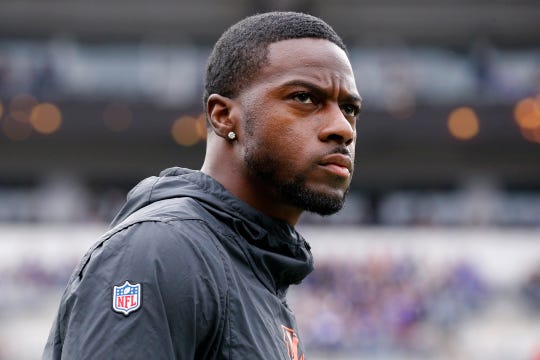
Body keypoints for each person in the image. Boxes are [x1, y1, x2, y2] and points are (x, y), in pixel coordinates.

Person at [43, 11, 361, 360]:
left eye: (349, 108)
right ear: (223, 116)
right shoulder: (163, 250)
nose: (342, 128)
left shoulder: (254, 266)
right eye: (304, 97)